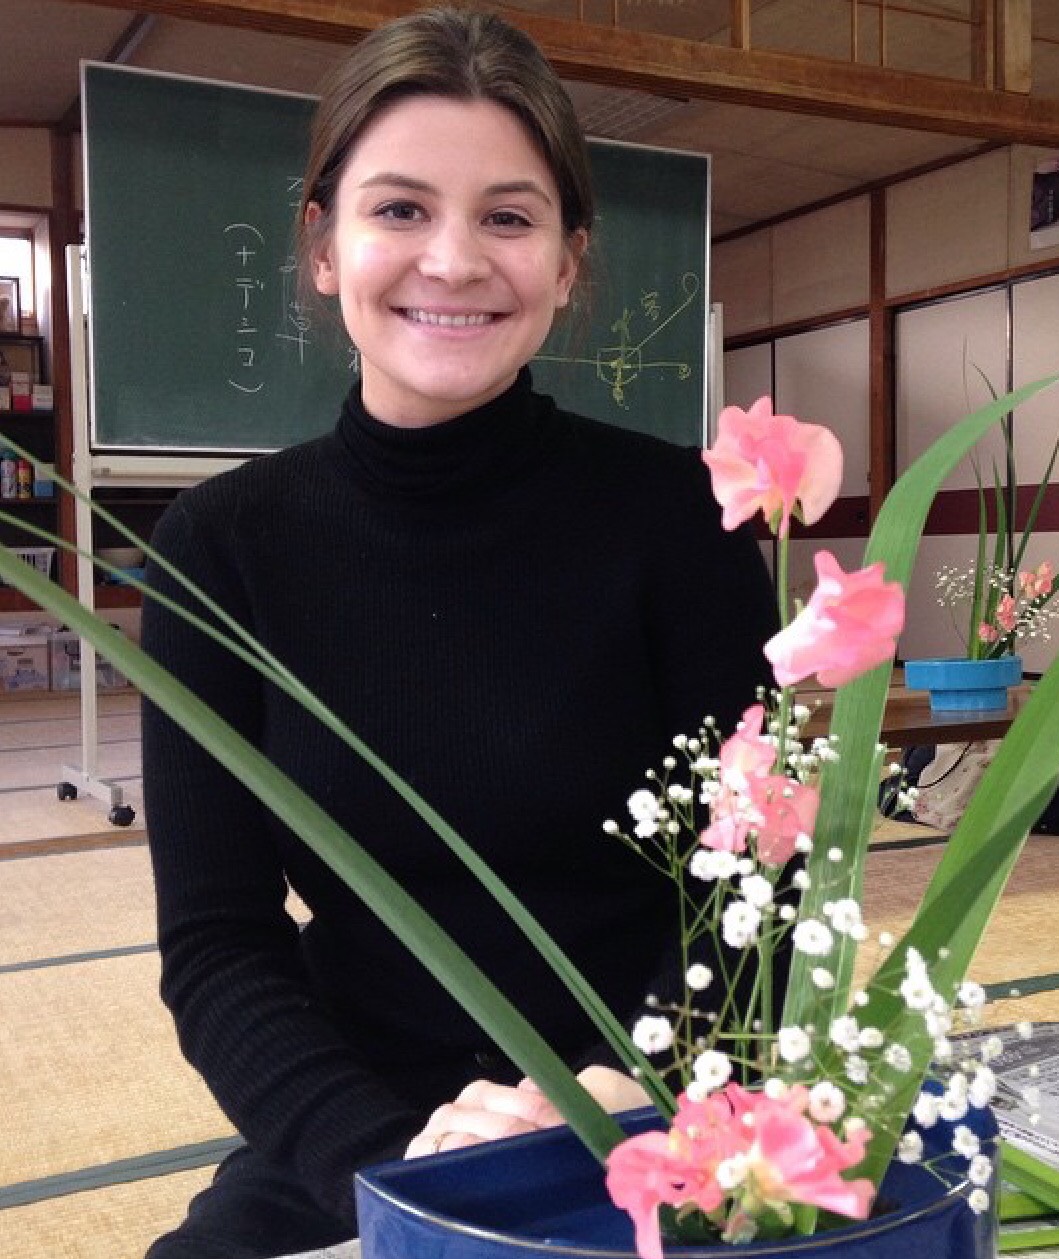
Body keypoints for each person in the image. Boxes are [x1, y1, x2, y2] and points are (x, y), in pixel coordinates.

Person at [140, 7, 777, 1257]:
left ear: (567, 258)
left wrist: (618, 1088)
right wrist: (394, 1166)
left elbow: (761, 875)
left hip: (649, 1098)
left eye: (506, 214)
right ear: (322, 247)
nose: (452, 259)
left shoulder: (680, 515)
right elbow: (218, 945)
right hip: (365, 1126)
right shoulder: (220, 548)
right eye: (397, 209)